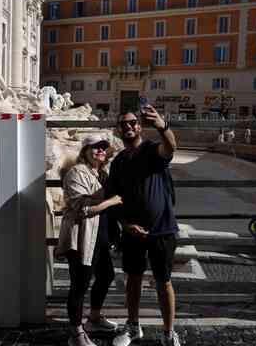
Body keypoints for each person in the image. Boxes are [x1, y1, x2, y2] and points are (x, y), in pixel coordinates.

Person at [109, 106, 181, 346]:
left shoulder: (152, 149)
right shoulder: (118, 161)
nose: (128, 127)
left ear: (139, 126)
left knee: (164, 281)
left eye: (132, 123)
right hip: (132, 231)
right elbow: (114, 198)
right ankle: (133, 326)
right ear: (118, 131)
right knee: (133, 279)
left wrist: (162, 126)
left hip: (163, 229)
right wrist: (125, 224)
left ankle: (169, 333)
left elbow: (171, 147)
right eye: (123, 124)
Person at [55, 135, 122, 346]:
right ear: (84, 151)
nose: (100, 150)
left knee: (106, 276)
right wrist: (111, 200)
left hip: (100, 238)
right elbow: (82, 209)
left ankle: (93, 318)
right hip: (82, 237)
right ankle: (76, 333)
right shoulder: (76, 173)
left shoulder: (101, 173)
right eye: (95, 147)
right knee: (80, 285)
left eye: (103, 147)